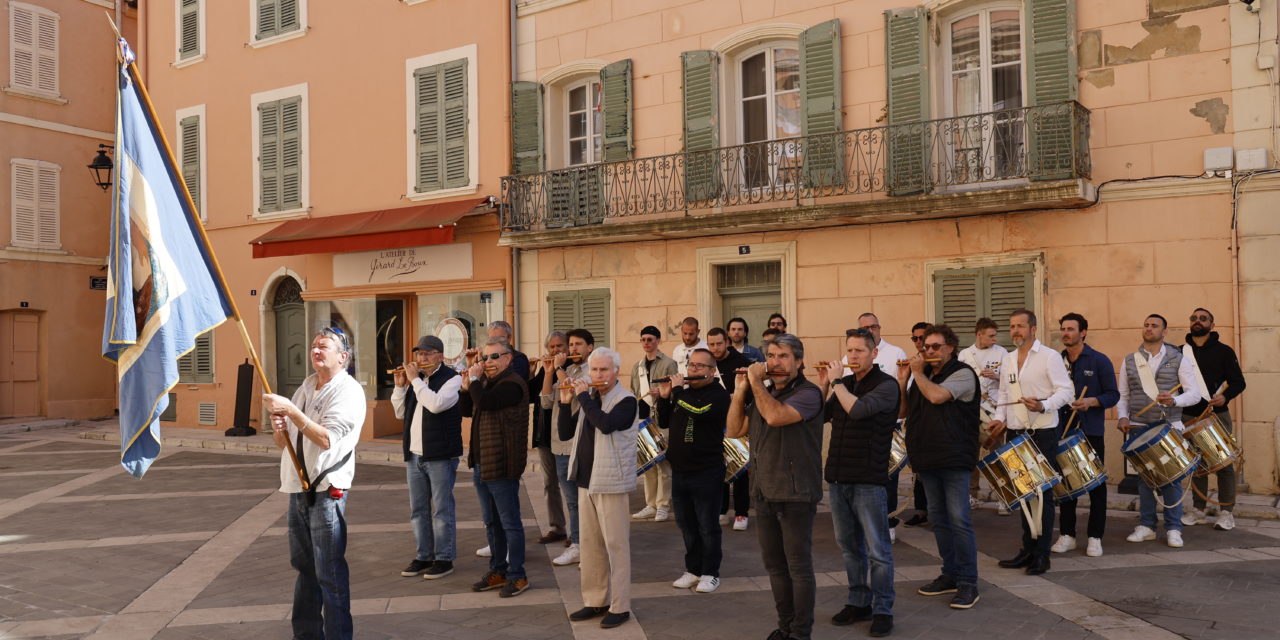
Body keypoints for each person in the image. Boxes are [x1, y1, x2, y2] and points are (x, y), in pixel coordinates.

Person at [263, 328, 365, 639]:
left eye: (324, 347)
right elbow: (285, 443)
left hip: (326, 490)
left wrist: (292, 413)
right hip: (297, 487)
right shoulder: (307, 386)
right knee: (304, 569)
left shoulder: (348, 391)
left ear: (343, 357)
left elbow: (326, 439)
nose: (316, 351)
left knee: (329, 571)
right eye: (313, 346)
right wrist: (278, 427)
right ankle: (305, 635)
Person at [727, 334, 824, 640]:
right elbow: (733, 429)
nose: (775, 362)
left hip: (796, 493)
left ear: (799, 361)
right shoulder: (763, 391)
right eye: (771, 355)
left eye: (783, 356)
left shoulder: (809, 394)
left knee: (798, 566)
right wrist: (741, 391)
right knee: (775, 567)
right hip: (764, 490)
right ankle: (785, 627)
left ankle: (800, 632)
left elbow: (776, 416)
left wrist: (755, 384)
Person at [819, 328, 898, 637]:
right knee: (849, 547)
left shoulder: (887, 386)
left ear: (874, 353)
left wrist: (837, 383)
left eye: (859, 351)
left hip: (868, 479)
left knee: (878, 549)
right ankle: (858, 601)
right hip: (839, 478)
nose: (852, 356)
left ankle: (883, 609)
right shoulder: (844, 385)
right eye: (849, 351)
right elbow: (816, 414)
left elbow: (859, 410)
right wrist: (824, 384)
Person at [899, 324, 981, 610]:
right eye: (926, 347)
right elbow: (903, 411)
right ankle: (950, 574)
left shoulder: (963, 373)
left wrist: (918, 373)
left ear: (950, 348)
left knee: (959, 520)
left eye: (935, 346)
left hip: (955, 458)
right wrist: (903, 378)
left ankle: (969, 581)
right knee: (940, 520)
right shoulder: (923, 376)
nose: (929, 351)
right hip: (928, 458)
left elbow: (937, 397)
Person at [987, 310, 1073, 575]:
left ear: (1033, 329)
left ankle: (1042, 554)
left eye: (1021, 326)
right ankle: (1027, 549)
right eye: (1012, 326)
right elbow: (1003, 392)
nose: (1015, 331)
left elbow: (1066, 390)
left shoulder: (1049, 356)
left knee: (1042, 495)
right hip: (1015, 433)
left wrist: (1044, 405)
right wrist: (999, 418)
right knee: (1023, 494)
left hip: (1042, 433)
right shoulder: (1009, 359)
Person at [560, 348, 639, 629]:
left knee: (616, 546)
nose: (598, 375)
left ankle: (620, 606)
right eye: (594, 370)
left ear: (616, 371)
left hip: (611, 482)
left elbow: (605, 425)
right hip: (586, 480)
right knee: (591, 546)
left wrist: (582, 398)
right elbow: (564, 433)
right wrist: (565, 402)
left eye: (604, 370)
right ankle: (596, 600)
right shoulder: (590, 398)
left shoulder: (626, 400)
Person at [1118, 314, 1200, 548]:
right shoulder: (1130, 360)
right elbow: (1123, 395)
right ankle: (1147, 526)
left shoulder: (1178, 358)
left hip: (1169, 426)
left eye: (1154, 326)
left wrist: (1174, 400)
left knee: (1172, 479)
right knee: (1145, 479)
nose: (1149, 328)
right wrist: (1123, 416)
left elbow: (1194, 394)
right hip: (1139, 425)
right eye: (1146, 325)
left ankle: (1174, 528)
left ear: (1165, 331)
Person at [656, 348, 732, 594]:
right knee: (686, 524)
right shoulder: (683, 394)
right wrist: (664, 398)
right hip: (681, 470)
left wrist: (677, 392)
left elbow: (699, 412)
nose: (694, 370)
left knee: (707, 526)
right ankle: (693, 569)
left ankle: (711, 573)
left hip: (706, 471)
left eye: (701, 366)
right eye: (691, 366)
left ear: (712, 371)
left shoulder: (719, 395)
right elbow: (664, 422)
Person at [460, 338, 531, 597]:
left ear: (507, 358)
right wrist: (466, 385)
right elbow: (467, 410)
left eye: (493, 357)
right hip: (482, 462)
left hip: (502, 463)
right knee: (492, 523)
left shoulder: (513, 384)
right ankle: (498, 570)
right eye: (484, 357)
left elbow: (488, 402)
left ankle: (518, 575)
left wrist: (476, 381)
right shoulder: (488, 384)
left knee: (509, 522)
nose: (486, 362)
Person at [391, 335, 463, 580]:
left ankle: (444, 558)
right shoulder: (416, 381)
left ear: (440, 356)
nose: (422, 358)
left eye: (428, 353)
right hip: (415, 455)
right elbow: (400, 413)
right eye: (419, 354)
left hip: (440, 455)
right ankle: (424, 556)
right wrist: (400, 386)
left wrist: (414, 382)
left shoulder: (453, 378)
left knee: (442, 510)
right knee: (418, 509)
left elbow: (436, 404)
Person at [1049, 313, 1119, 557]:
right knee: (1066, 484)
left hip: (1089, 431)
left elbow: (1113, 395)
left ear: (1083, 332)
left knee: (1095, 485)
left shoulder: (1099, 360)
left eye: (1070, 329)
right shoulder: (1055, 360)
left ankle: (1095, 537)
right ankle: (1067, 535)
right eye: (1063, 329)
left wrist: (1093, 400)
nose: (1065, 333)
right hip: (1061, 430)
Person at [1181, 307, 1247, 531]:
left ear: (1212, 324)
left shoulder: (1224, 351)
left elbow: (1239, 382)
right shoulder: (1181, 352)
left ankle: (1226, 512)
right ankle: (1198, 510)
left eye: (1203, 318)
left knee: (1224, 464)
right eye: (1194, 318)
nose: (1197, 321)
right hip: (1189, 416)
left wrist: (1224, 396)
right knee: (1197, 465)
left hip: (1216, 416)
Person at [538, 328, 596, 566]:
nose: (572, 349)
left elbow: (573, 392)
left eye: (577, 345)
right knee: (571, 499)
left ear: (589, 347)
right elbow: (546, 401)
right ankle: (577, 543)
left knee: (586, 499)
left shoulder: (593, 369)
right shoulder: (566, 369)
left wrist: (559, 370)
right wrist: (549, 372)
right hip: (559, 444)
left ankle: (587, 544)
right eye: (570, 345)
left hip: (580, 444)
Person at [848, 314, 909, 538]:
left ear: (879, 328)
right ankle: (864, 523)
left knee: (889, 478)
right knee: (862, 478)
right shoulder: (852, 353)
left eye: (873, 326)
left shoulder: (896, 352)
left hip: (889, 426)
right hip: (861, 426)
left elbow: (904, 388)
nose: (870, 330)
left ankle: (889, 523)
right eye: (865, 327)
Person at [957, 318, 1008, 507]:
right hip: (971, 410)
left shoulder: (1002, 353)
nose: (995, 339)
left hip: (995, 411)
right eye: (991, 335)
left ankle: (1003, 495)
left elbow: (1013, 380)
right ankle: (972, 495)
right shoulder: (964, 354)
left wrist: (996, 376)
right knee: (971, 454)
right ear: (979, 334)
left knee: (998, 454)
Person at [630, 325, 677, 522]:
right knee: (648, 464)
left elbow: (676, 390)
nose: (646, 343)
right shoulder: (637, 366)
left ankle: (663, 505)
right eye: (643, 339)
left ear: (658, 340)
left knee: (664, 465)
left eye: (650, 339)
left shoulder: (669, 363)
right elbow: (634, 391)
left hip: (662, 419)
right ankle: (651, 504)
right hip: (644, 418)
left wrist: (663, 393)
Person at [707, 327, 753, 530]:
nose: (715, 348)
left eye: (718, 343)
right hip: (716, 422)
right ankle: (722, 510)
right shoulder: (708, 364)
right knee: (719, 468)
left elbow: (756, 389)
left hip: (739, 421)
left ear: (726, 341)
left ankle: (742, 513)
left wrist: (739, 397)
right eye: (711, 344)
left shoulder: (742, 362)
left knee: (740, 468)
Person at [529, 330, 569, 546]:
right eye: (552, 347)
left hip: (564, 435)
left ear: (568, 347)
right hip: (544, 435)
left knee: (569, 483)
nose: (555, 350)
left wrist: (559, 368)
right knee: (549, 483)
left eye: (559, 346)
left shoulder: (571, 369)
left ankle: (578, 532)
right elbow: (527, 395)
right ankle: (557, 527)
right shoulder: (545, 370)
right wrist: (532, 372)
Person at [901, 322, 932, 528]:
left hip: (932, 429)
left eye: (923, 338)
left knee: (933, 475)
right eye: (915, 339)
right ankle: (922, 511)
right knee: (918, 473)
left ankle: (937, 512)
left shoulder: (935, 366)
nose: (919, 343)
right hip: (915, 426)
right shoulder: (914, 364)